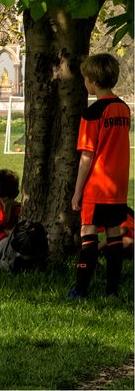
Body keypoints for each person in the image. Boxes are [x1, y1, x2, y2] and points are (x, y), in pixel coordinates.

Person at [69, 53, 131, 299]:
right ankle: (112, 291)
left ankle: (81, 289)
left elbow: (87, 155)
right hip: (118, 186)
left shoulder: (92, 112)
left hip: (97, 185)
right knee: (114, 234)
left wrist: (77, 191)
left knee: (89, 234)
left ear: (91, 81)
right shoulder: (123, 108)